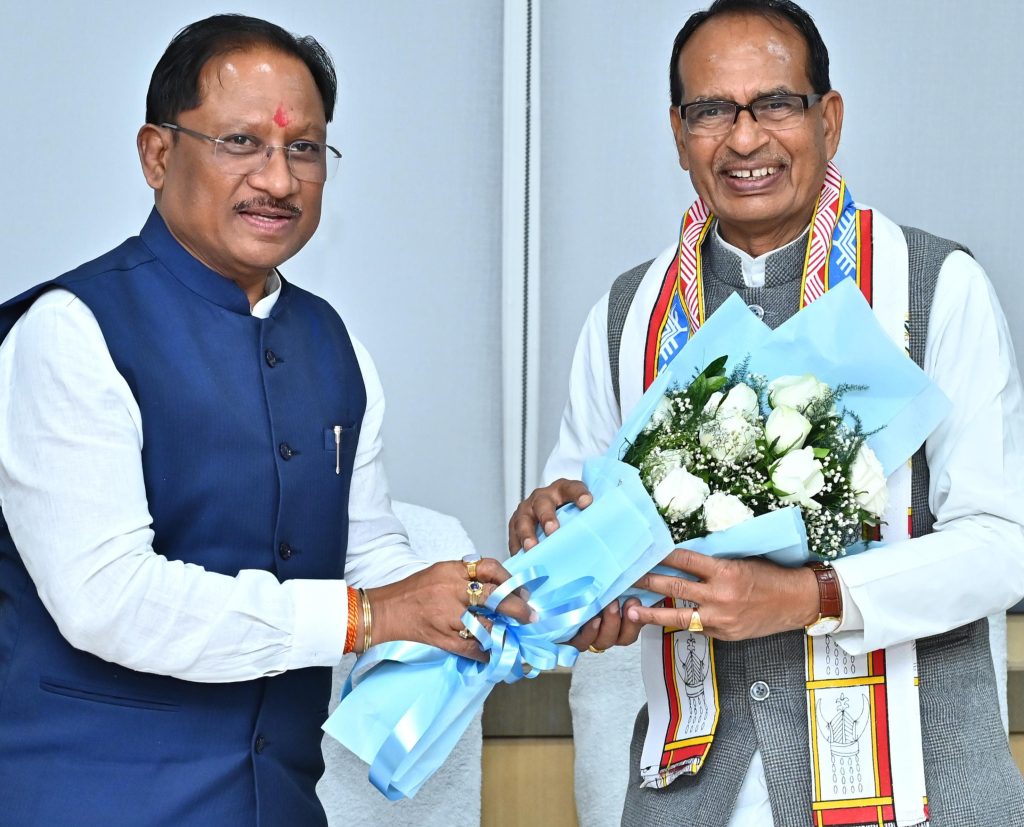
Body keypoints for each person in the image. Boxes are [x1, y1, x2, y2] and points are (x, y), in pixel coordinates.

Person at [0, 15, 528, 826]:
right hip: (89, 800)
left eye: (304, 148)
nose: (279, 180)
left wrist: (489, 600)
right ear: (157, 154)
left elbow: (370, 552)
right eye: (241, 142)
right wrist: (368, 615)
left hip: (276, 803)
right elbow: (107, 597)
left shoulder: (334, 344)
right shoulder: (70, 331)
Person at [509, 1, 1024, 824]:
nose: (744, 138)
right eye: (711, 110)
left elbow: (1004, 544)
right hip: (690, 794)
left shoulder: (932, 286)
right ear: (679, 133)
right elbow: (587, 535)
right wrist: (559, 549)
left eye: (776, 103)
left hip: (919, 788)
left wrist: (810, 595)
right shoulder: (630, 314)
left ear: (830, 118)